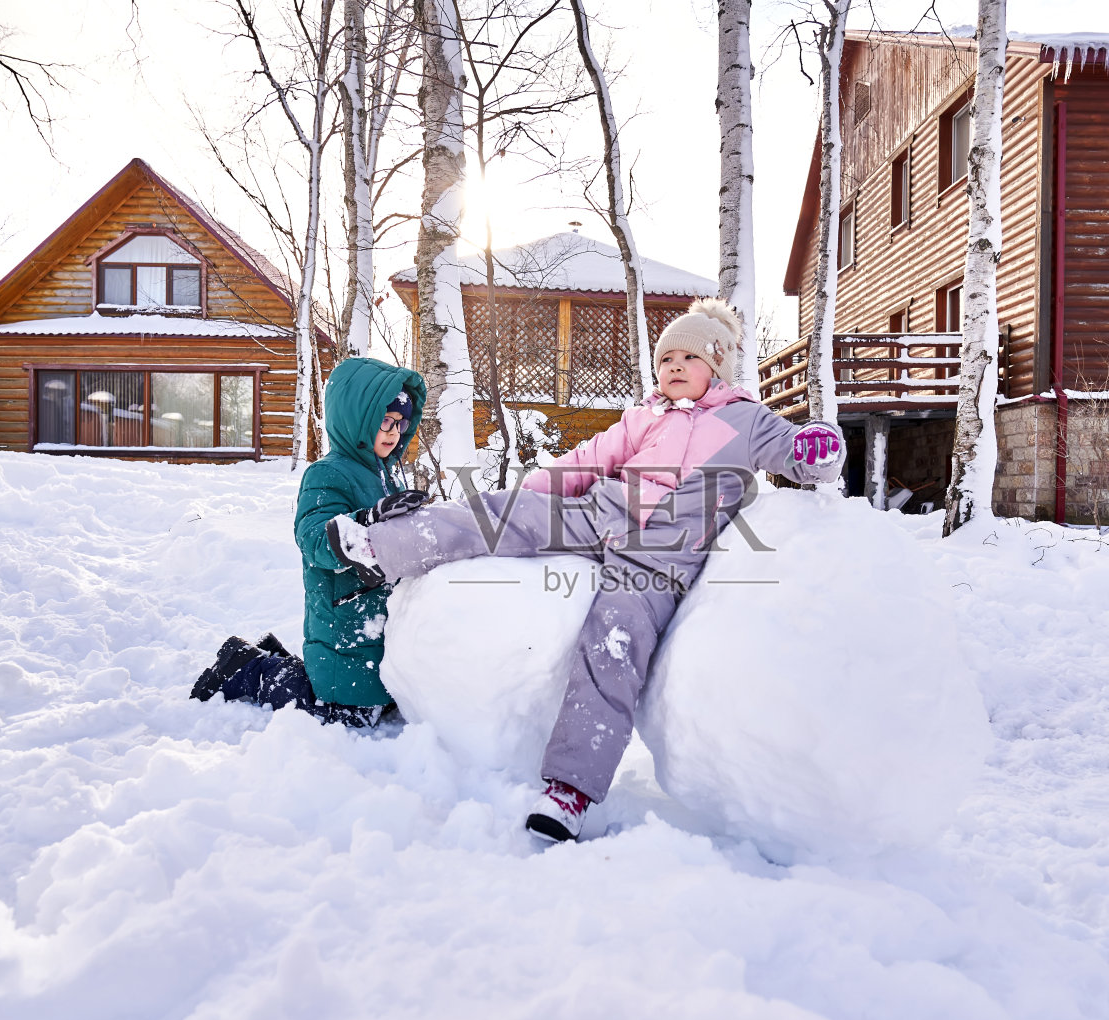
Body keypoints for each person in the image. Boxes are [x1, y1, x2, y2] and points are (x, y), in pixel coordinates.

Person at [326, 299, 845, 841]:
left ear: (716, 366)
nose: (672, 367)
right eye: (666, 357)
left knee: (615, 642)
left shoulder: (744, 419)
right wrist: (531, 492)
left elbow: (799, 454)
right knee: (506, 515)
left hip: (662, 556)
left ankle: (569, 792)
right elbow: (588, 460)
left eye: (687, 357)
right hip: (604, 512)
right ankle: (381, 547)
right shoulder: (645, 416)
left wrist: (819, 448)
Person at [190, 357, 428, 728]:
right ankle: (251, 668)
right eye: (384, 420)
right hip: (344, 625)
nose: (394, 431)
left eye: (401, 422)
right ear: (356, 418)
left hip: (375, 620)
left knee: (378, 699)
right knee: (349, 715)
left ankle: (276, 661)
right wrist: (367, 520)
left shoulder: (387, 476)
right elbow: (315, 538)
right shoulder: (327, 474)